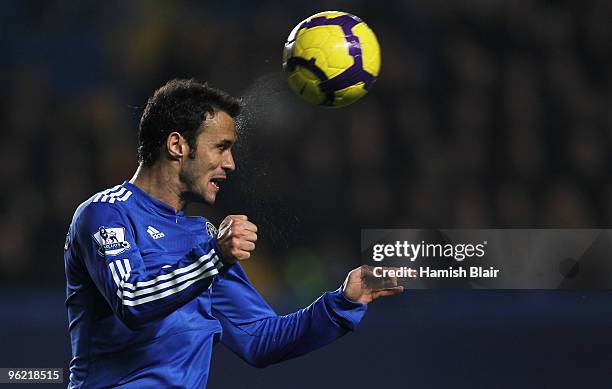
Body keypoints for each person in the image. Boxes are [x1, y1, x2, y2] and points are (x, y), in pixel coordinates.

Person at [64, 79, 403, 388]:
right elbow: (131, 300)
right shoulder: (106, 214)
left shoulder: (202, 238)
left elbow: (258, 338)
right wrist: (214, 257)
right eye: (221, 147)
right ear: (177, 145)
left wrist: (341, 302)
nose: (230, 163)